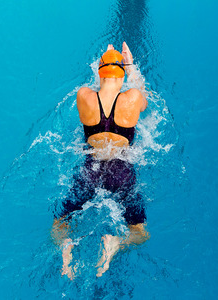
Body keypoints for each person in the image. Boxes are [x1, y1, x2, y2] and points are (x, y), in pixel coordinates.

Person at [51, 42, 149, 279]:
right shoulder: (133, 98)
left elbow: (99, 89)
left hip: (91, 168)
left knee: (59, 225)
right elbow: (144, 99)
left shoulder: (83, 96)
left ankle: (67, 249)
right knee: (140, 233)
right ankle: (115, 243)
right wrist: (131, 65)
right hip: (122, 171)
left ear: (99, 72)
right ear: (122, 75)